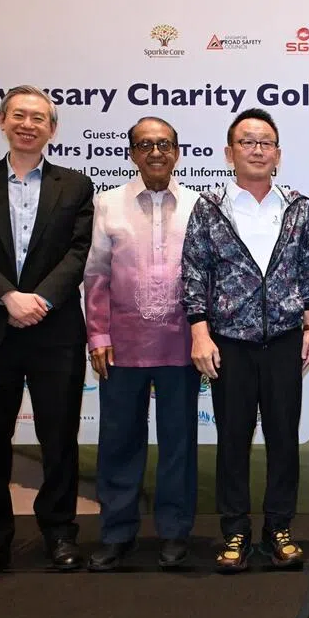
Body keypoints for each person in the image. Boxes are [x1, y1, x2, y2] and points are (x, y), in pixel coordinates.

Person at [0, 85, 94, 578]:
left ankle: (59, 534)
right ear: (2, 120)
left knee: (59, 439)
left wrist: (41, 299)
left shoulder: (75, 186)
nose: (28, 125)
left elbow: (78, 252)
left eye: (38, 118)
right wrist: (8, 297)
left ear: (53, 129)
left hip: (55, 332)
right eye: (19, 115)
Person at [181, 108, 309, 573]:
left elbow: (307, 267)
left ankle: (279, 529)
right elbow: (194, 271)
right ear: (229, 153)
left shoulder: (296, 206)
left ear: (278, 154)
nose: (257, 150)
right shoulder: (210, 207)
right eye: (247, 142)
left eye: (266, 143)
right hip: (229, 343)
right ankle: (235, 532)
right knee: (233, 440)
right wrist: (199, 331)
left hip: (284, 340)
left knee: (283, 440)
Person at [83, 117, 201, 572]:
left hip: (180, 344)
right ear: (132, 153)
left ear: (177, 152)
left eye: (164, 144)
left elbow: (207, 275)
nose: (156, 152)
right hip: (121, 346)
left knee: (178, 444)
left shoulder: (198, 205)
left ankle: (174, 533)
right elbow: (96, 274)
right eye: (146, 144)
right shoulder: (107, 204)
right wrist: (98, 334)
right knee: (119, 442)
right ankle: (117, 534)